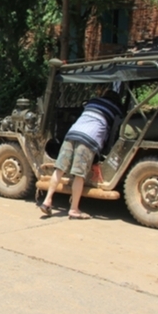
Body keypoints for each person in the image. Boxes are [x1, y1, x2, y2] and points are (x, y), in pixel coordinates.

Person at [38, 89, 123, 220]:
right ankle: (74, 209)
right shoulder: (116, 109)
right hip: (89, 138)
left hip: (72, 133)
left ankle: (47, 201)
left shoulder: (93, 101)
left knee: (59, 169)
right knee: (79, 174)